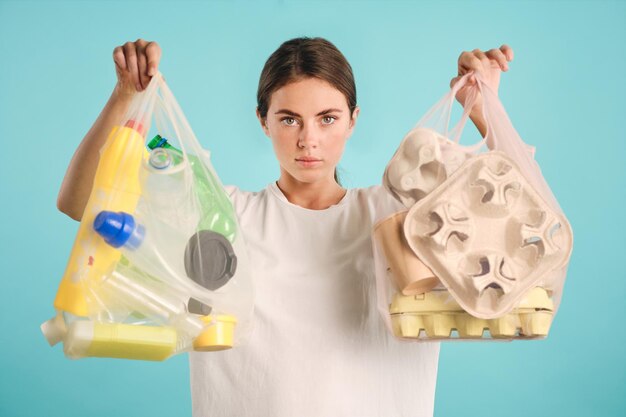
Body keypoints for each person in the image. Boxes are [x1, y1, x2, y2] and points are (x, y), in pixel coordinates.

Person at [57, 37, 513, 417]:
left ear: (354, 120)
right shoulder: (221, 216)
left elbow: (517, 219)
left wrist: (485, 110)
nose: (308, 139)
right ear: (263, 121)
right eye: (289, 119)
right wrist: (125, 96)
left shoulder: (398, 217)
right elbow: (79, 204)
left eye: (327, 119)